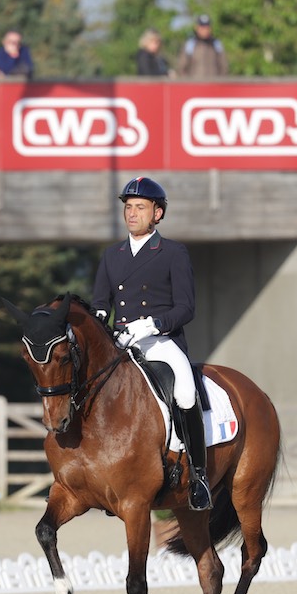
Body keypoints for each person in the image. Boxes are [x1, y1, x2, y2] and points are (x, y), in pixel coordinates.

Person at [90, 177, 212, 511]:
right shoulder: (112, 255)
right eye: (128, 207)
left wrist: (153, 324)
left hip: (160, 340)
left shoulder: (173, 253)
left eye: (140, 208)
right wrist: (98, 320)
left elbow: (186, 308)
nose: (132, 213)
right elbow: (100, 302)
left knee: (185, 392)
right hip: (121, 341)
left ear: (157, 214)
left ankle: (198, 476)